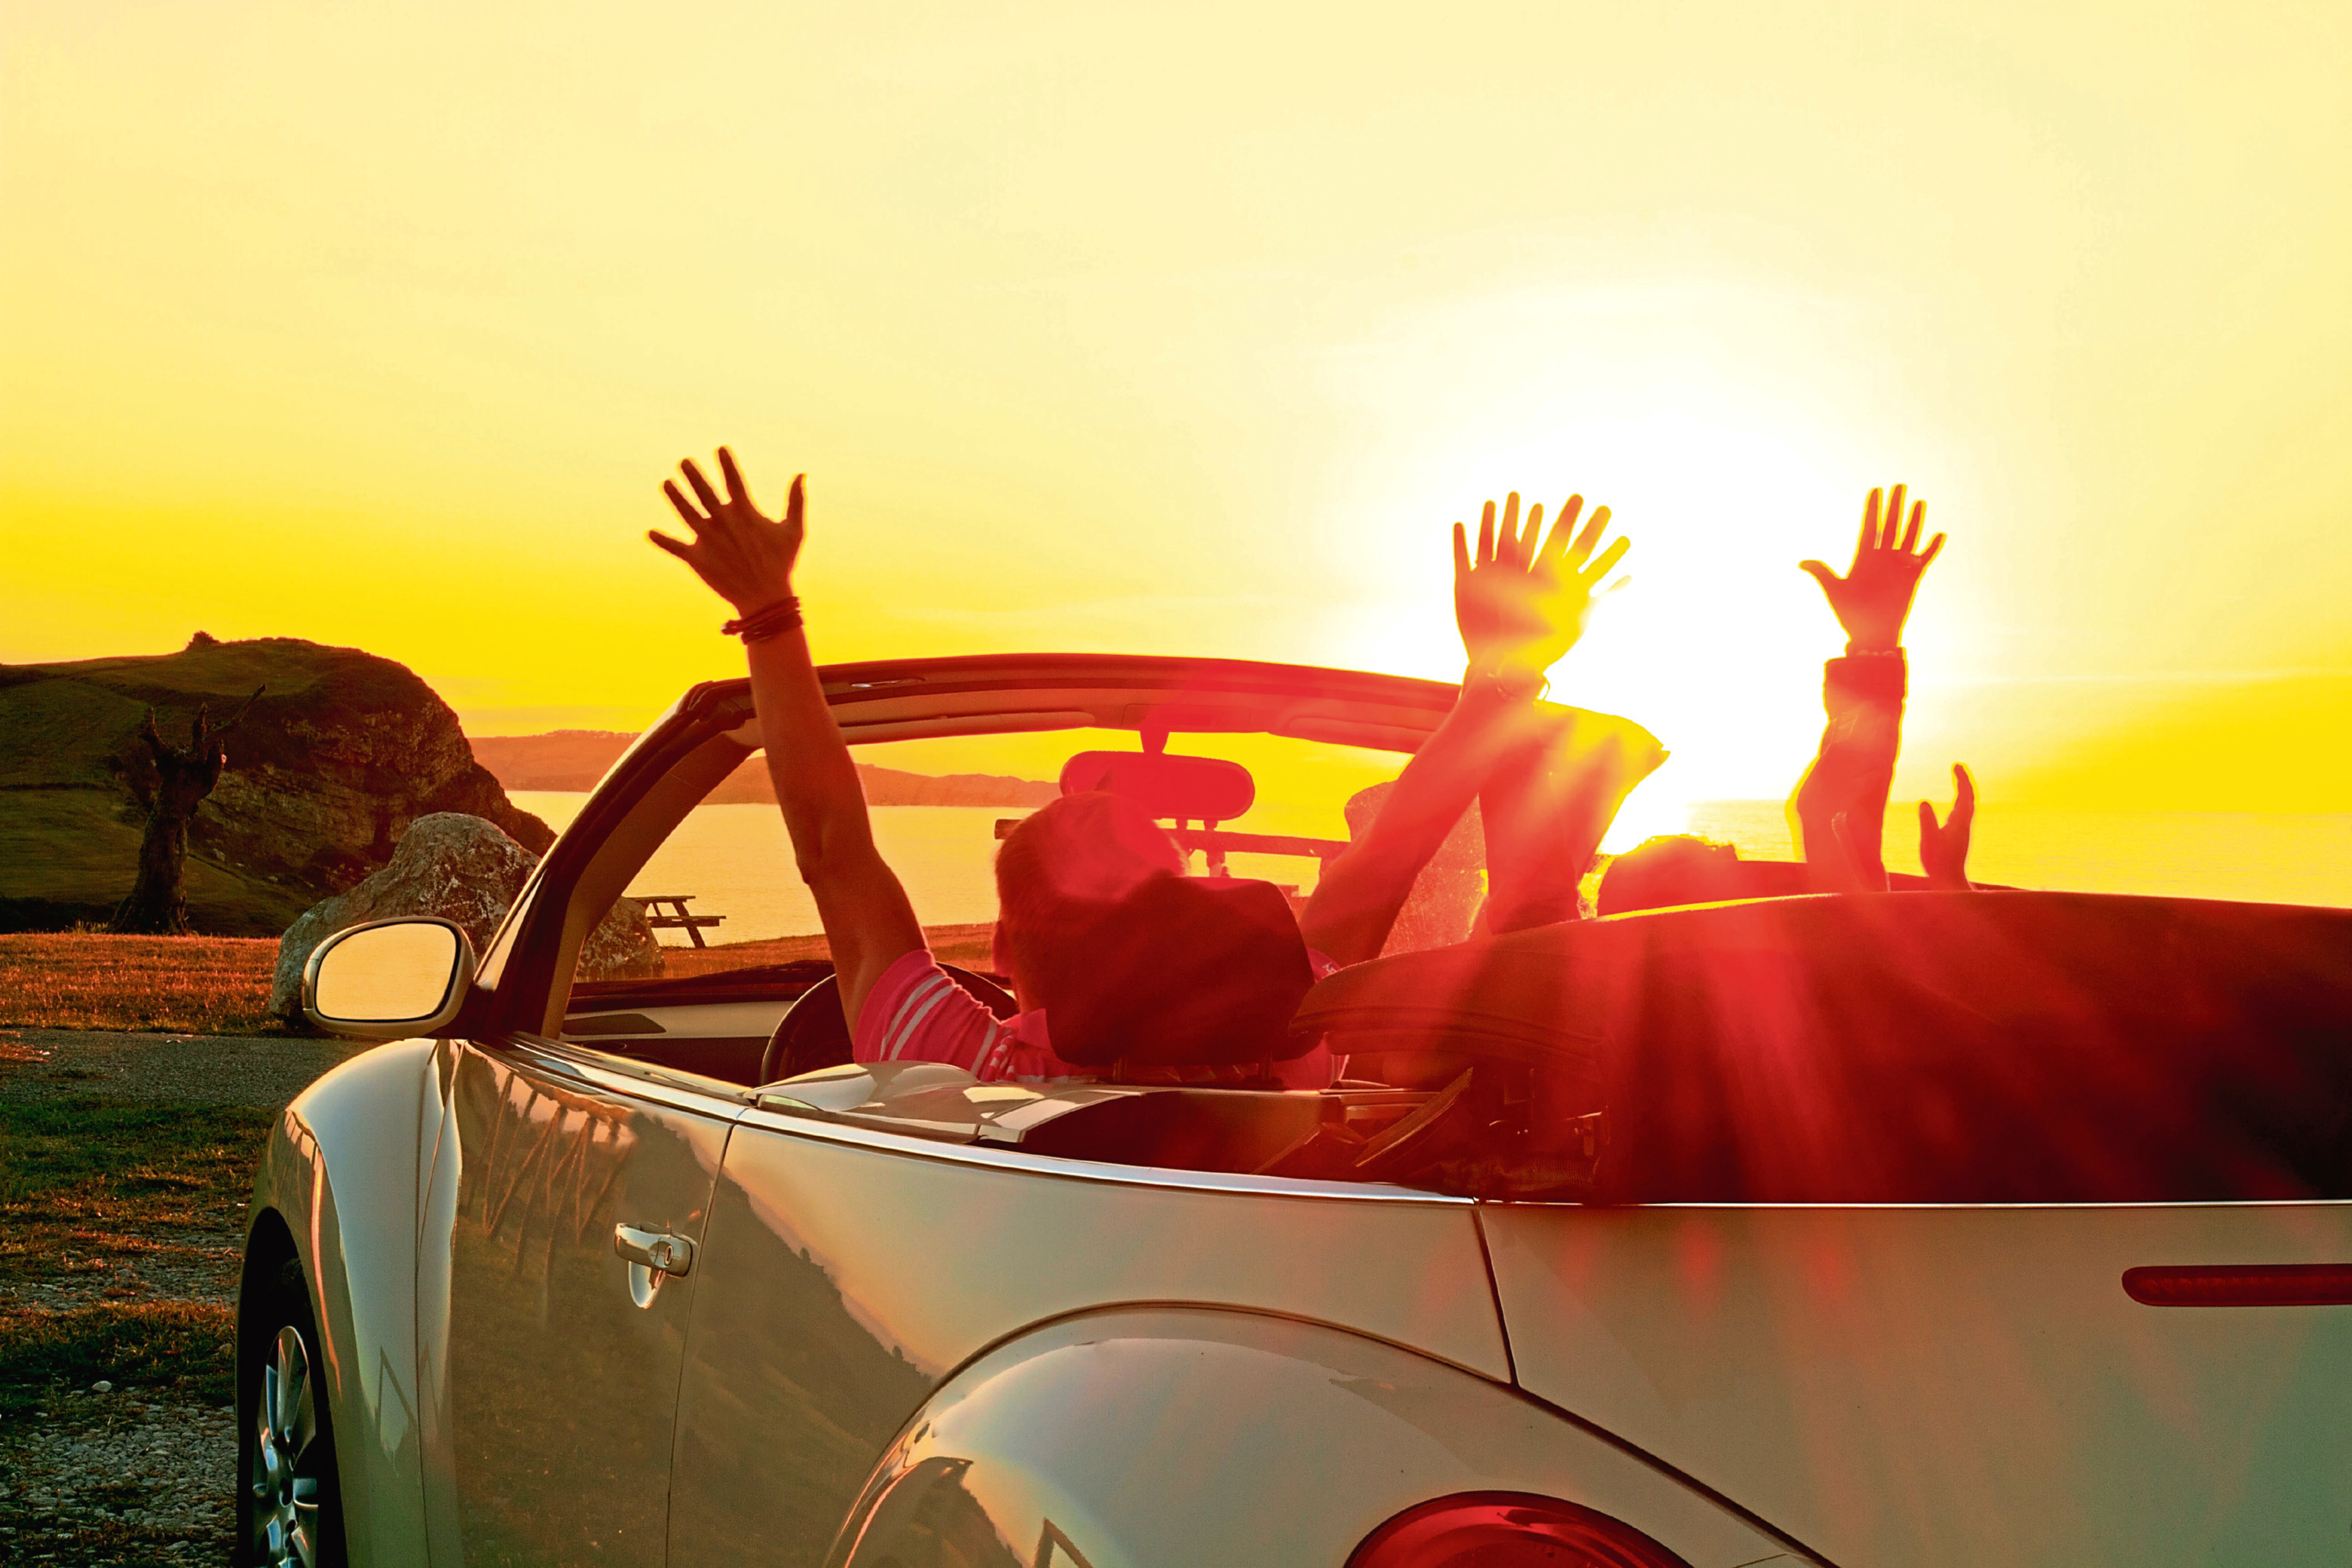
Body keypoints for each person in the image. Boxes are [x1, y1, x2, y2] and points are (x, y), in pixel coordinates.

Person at [648, 452, 1635, 1084]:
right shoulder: (1296, 1038)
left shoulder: (954, 1056)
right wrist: (1499, 676)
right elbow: (1397, 844)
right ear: (1194, 907)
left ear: (999, 945)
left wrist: (772, 613)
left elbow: (831, 844)